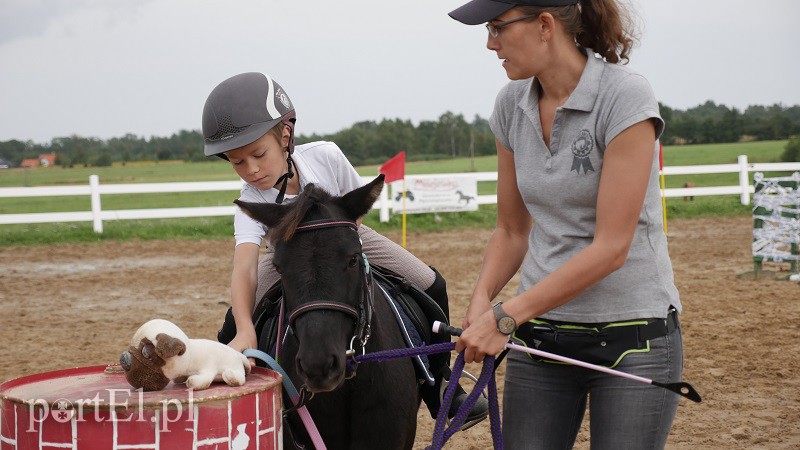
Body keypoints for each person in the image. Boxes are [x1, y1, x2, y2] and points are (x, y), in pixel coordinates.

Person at [448, 0, 684, 448]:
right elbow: (512, 230)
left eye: (498, 27)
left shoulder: (624, 95)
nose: (489, 43)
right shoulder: (510, 104)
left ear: (544, 26)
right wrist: (482, 298)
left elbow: (612, 247)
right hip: (540, 337)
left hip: (633, 340)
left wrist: (504, 318)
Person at [201, 72, 488, 426]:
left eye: (257, 154)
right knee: (234, 318)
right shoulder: (250, 200)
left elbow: (355, 213)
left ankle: (441, 386)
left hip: (344, 237)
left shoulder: (326, 156)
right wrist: (246, 327)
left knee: (431, 283)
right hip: (289, 253)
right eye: (237, 161)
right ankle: (236, 400)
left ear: (285, 135)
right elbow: (244, 267)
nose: (251, 169)